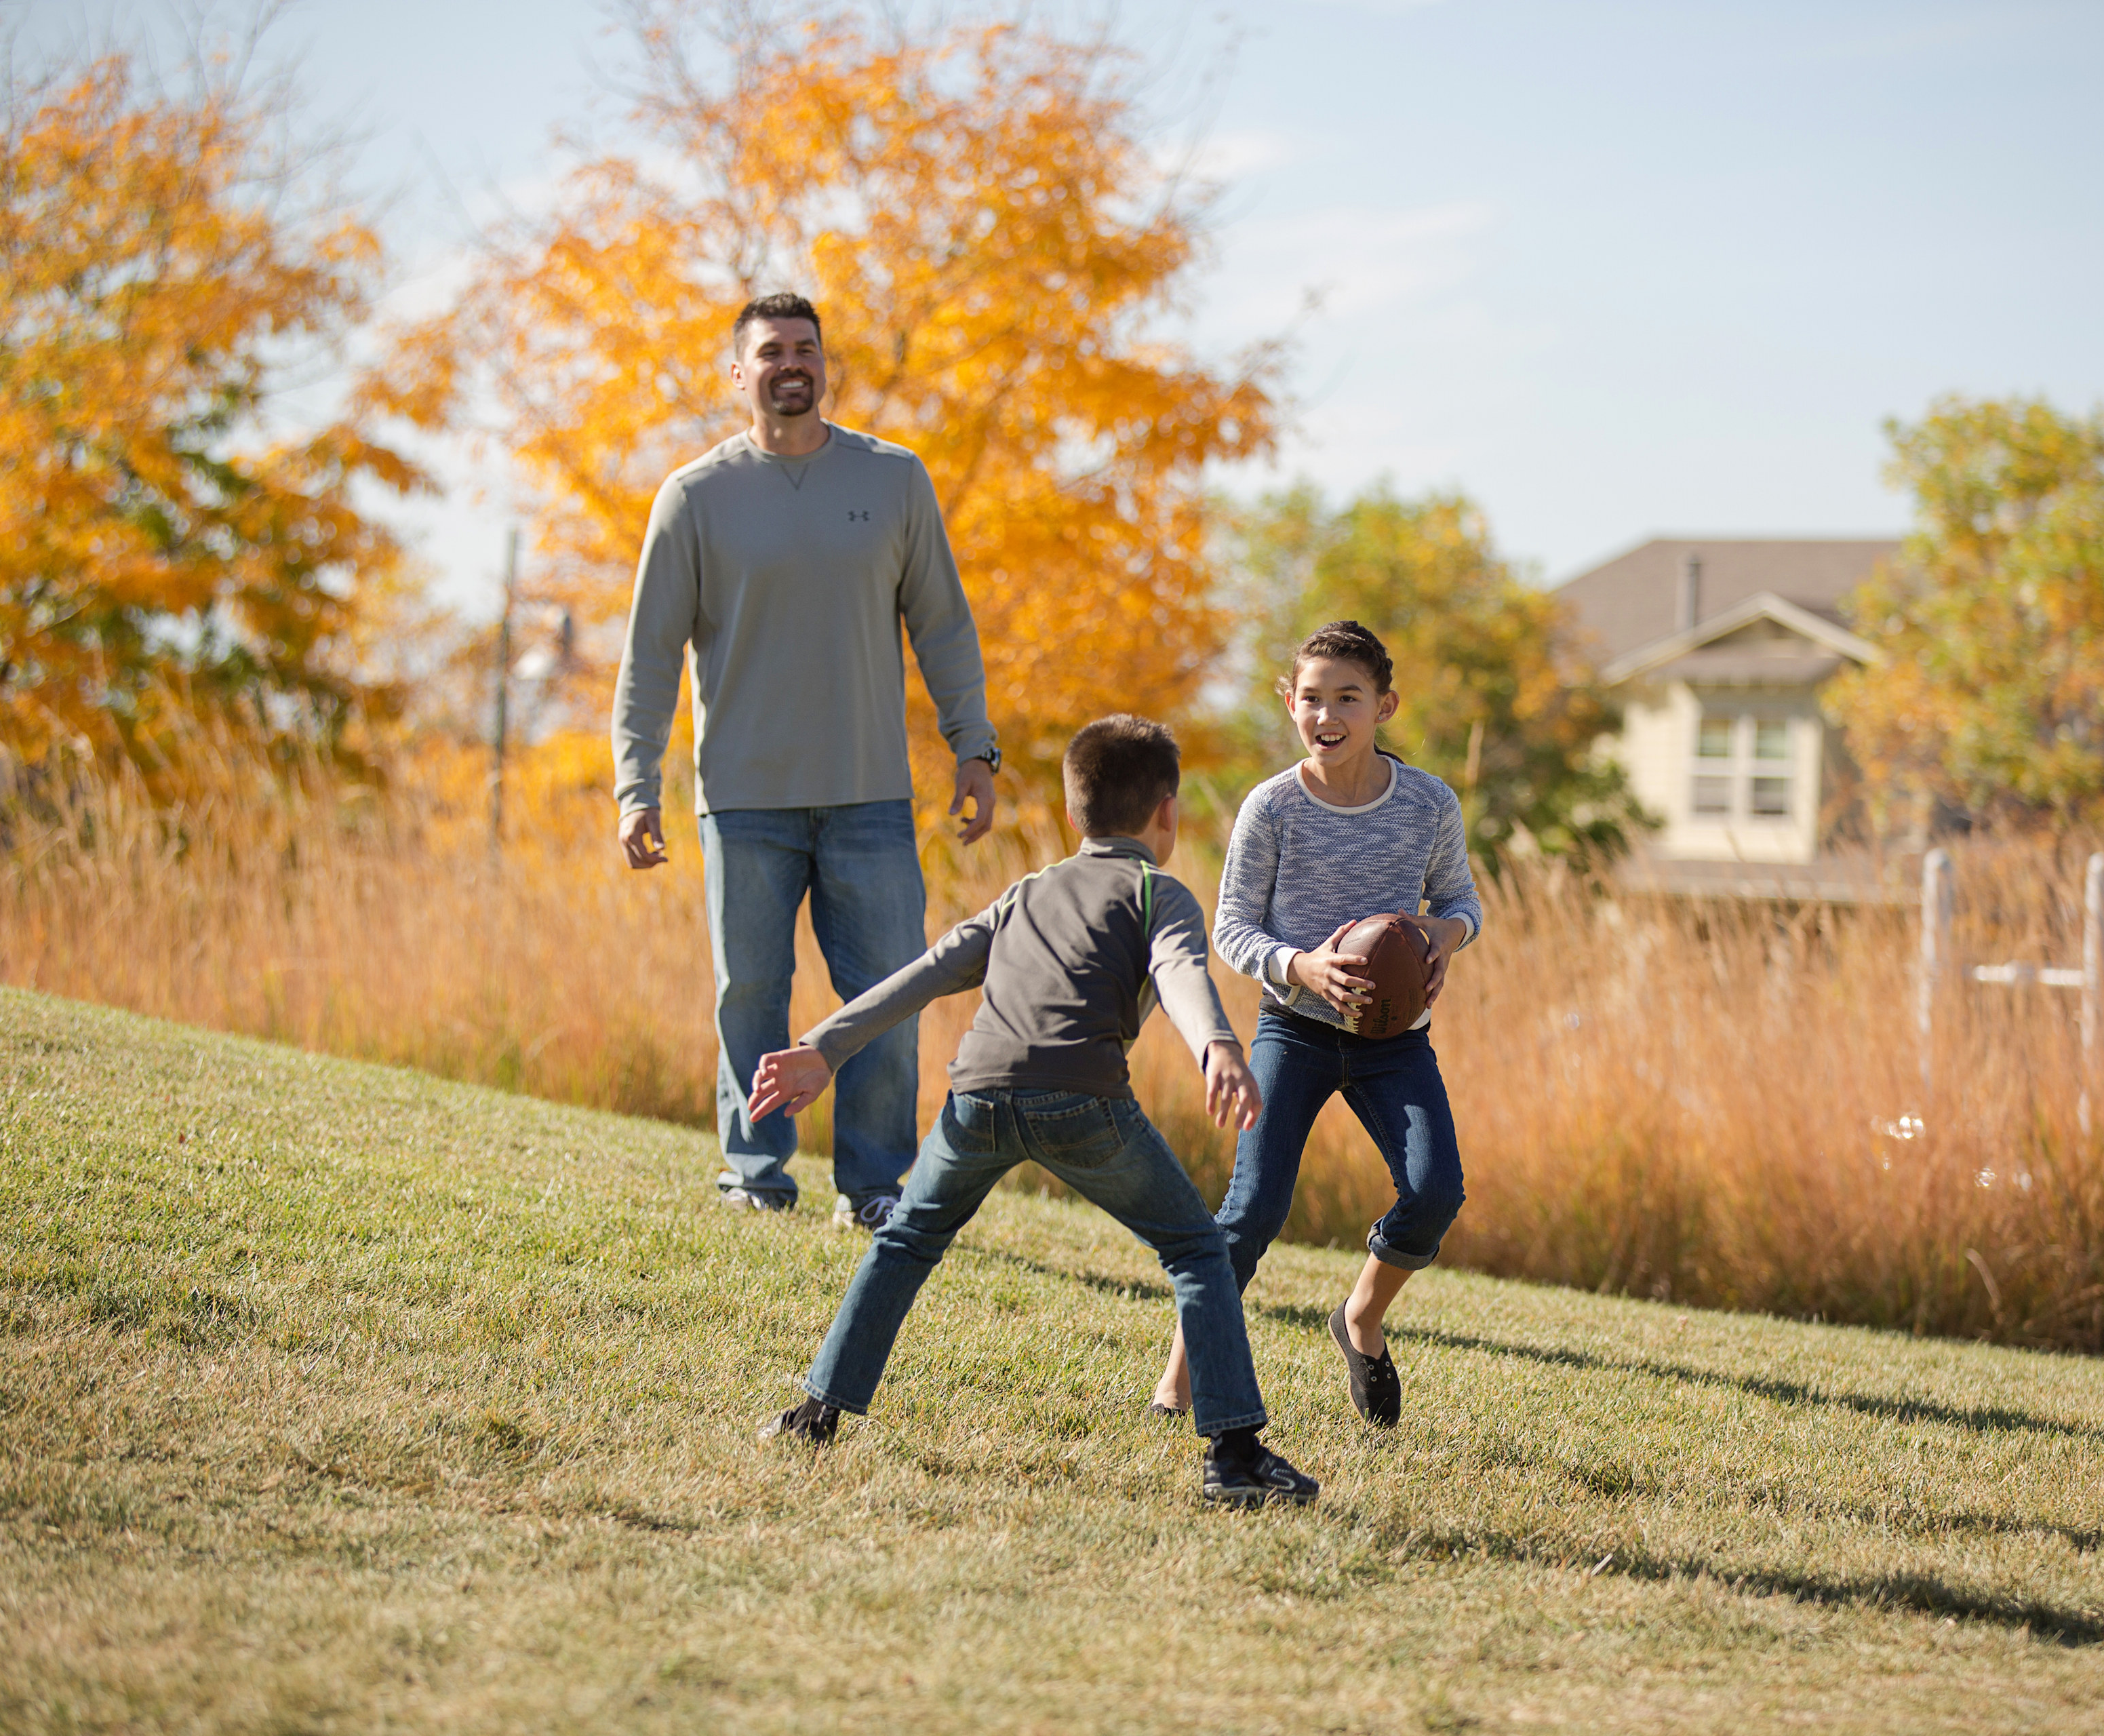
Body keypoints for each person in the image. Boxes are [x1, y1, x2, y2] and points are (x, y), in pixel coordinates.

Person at [745, 716, 1319, 1506]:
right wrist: (1216, 1044)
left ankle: (817, 1411)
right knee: (1196, 1250)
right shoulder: (1159, 890)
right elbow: (1181, 970)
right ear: (1168, 813)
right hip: (1083, 1101)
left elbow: (926, 971)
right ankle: (1236, 1455)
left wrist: (824, 1045)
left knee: (906, 1241)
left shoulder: (1025, 892)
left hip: (975, 1096)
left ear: (1076, 810)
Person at [610, 292, 1000, 1230]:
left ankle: (872, 1184)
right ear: (737, 375)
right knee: (750, 991)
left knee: (887, 995)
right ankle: (755, 1168)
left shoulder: (896, 479)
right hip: (743, 798)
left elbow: (943, 625)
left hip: (869, 794)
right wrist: (637, 788)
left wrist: (973, 749)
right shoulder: (694, 496)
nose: (793, 363)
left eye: (807, 349)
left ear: (826, 367)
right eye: (772, 351)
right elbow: (650, 656)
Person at [1147, 620, 1480, 1428]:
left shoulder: (1431, 802)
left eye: (1348, 698)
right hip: (1293, 1029)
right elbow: (1232, 929)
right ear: (1287, 702)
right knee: (1254, 1207)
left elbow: (1461, 902)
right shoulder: (1271, 807)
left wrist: (1444, 935)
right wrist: (1302, 965)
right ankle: (1177, 1385)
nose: (1327, 714)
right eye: (1311, 698)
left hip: (1394, 1039)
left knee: (1436, 1191)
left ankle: (1360, 1320)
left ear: (1384, 705)